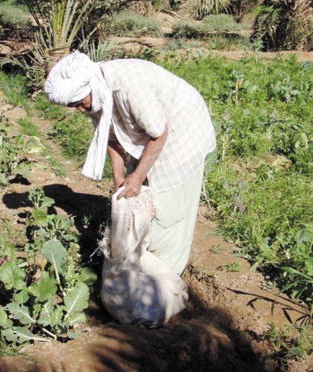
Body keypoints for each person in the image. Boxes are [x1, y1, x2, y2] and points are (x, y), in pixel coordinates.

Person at [44, 51, 216, 276]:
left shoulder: (129, 86)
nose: (79, 109)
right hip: (152, 131)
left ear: (90, 89)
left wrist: (136, 176)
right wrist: (119, 177)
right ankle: (141, 264)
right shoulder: (95, 92)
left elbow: (159, 133)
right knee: (140, 193)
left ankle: (166, 279)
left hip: (182, 130)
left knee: (168, 213)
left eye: (78, 102)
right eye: (72, 105)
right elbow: (111, 135)